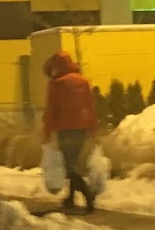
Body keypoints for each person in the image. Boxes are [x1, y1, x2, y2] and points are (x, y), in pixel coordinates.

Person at [42, 51, 97, 213]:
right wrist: (93, 128)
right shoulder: (83, 81)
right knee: (74, 162)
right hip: (82, 128)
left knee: (70, 166)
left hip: (65, 128)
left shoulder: (56, 84)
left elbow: (51, 110)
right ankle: (71, 199)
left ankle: (88, 195)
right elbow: (90, 106)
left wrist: (47, 131)